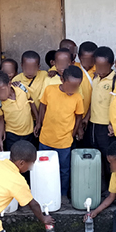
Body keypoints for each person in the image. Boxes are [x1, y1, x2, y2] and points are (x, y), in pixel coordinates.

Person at [35, 67, 86, 205]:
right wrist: (39, 123)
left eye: (77, 86)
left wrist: (73, 133)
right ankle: (45, 192)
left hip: (64, 141)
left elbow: (78, 117)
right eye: (71, 85)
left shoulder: (77, 98)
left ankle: (63, 194)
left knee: (64, 170)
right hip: (46, 138)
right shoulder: (49, 90)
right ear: (62, 80)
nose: (73, 89)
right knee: (44, 168)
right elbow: (43, 107)